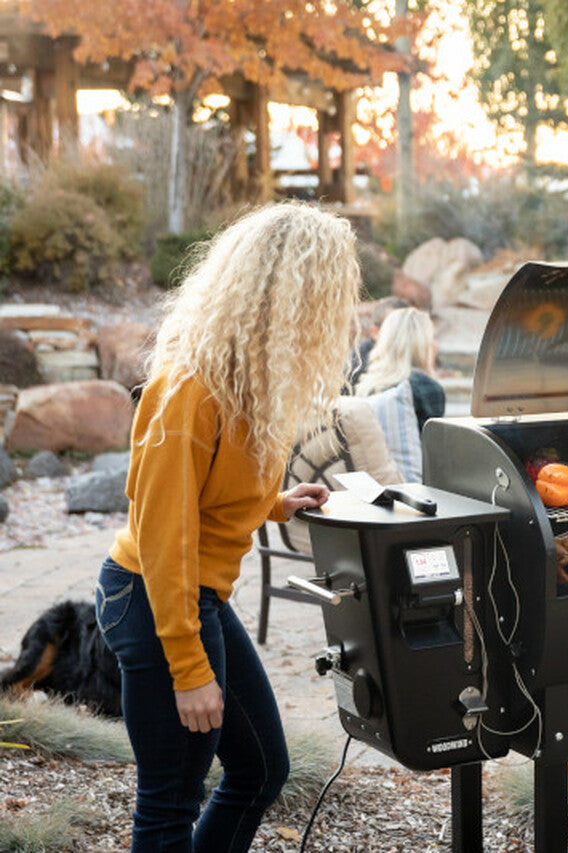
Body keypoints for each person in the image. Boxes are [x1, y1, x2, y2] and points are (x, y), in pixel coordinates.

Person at [95, 203, 361, 852]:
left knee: (262, 768)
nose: (332, 316)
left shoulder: (247, 383)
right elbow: (163, 536)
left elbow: (215, 489)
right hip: (157, 597)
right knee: (170, 804)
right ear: (281, 298)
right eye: (324, 297)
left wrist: (277, 500)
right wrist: (188, 667)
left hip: (197, 594)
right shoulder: (188, 389)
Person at [354, 306, 446, 430]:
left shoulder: (367, 385)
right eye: (432, 338)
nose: (436, 345)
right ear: (421, 344)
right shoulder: (426, 387)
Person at [346, 295, 411, 390]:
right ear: (375, 332)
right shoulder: (357, 366)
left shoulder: (417, 355)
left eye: (406, 327)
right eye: (394, 328)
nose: (401, 335)